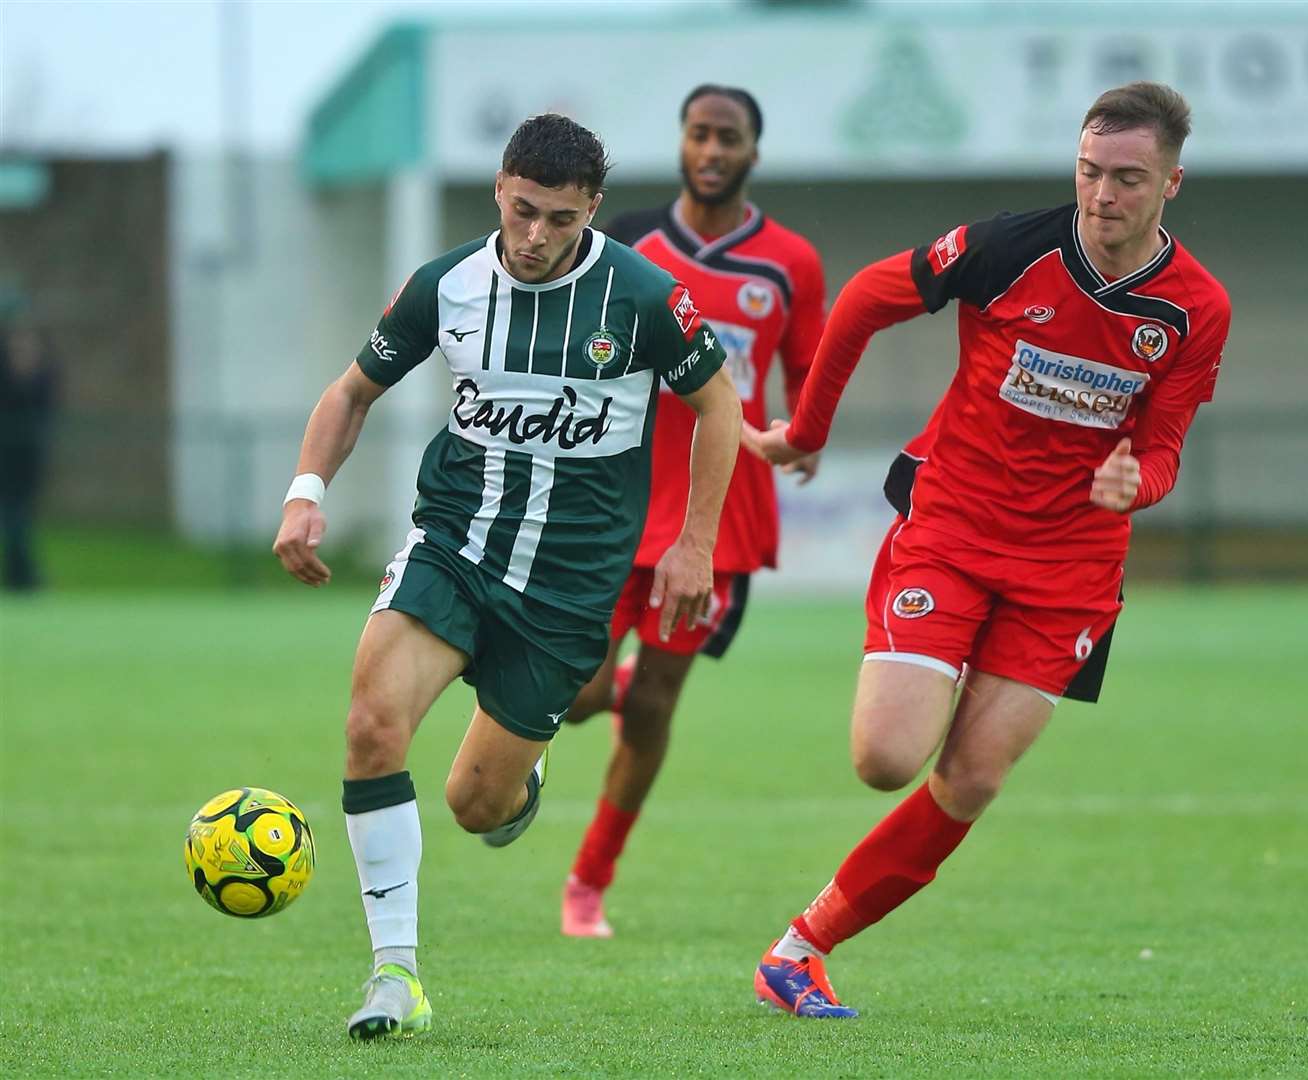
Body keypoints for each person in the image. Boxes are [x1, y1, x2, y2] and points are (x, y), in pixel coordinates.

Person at [743, 82, 1232, 1017]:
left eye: (1129, 179)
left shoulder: (1195, 307)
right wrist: (806, 430)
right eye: (1090, 172)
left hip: (1071, 572)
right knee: (886, 759)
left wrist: (1143, 483)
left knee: (970, 778)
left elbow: (1163, 444)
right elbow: (861, 301)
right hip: (954, 529)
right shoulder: (1008, 248)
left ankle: (800, 950)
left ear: (1173, 181)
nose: (1102, 196)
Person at [270, 114, 741, 1040]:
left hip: (568, 588)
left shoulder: (642, 295)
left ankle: (517, 783)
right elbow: (351, 390)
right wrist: (304, 492)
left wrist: (695, 543)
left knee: (475, 806)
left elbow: (717, 404)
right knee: (372, 725)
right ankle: (393, 976)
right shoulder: (445, 286)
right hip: (454, 545)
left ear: (592, 210)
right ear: (498, 189)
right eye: (523, 211)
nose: (535, 236)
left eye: (560, 220)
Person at [556, 85, 826, 939]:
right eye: (699, 134)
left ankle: (589, 882)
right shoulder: (624, 241)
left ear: (753, 151)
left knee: (654, 709)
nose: (712, 150)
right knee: (574, 694)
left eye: (729, 138)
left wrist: (802, 435)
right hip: (615, 496)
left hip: (719, 517)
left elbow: (810, 376)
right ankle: (615, 680)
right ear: (681, 142)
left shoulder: (790, 262)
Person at [0, 322, 59, 592]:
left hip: (29, 458)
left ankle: (21, 576)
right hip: (5, 458)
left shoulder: (43, 377)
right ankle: (21, 575)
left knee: (20, 517)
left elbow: (45, 413)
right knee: (13, 517)